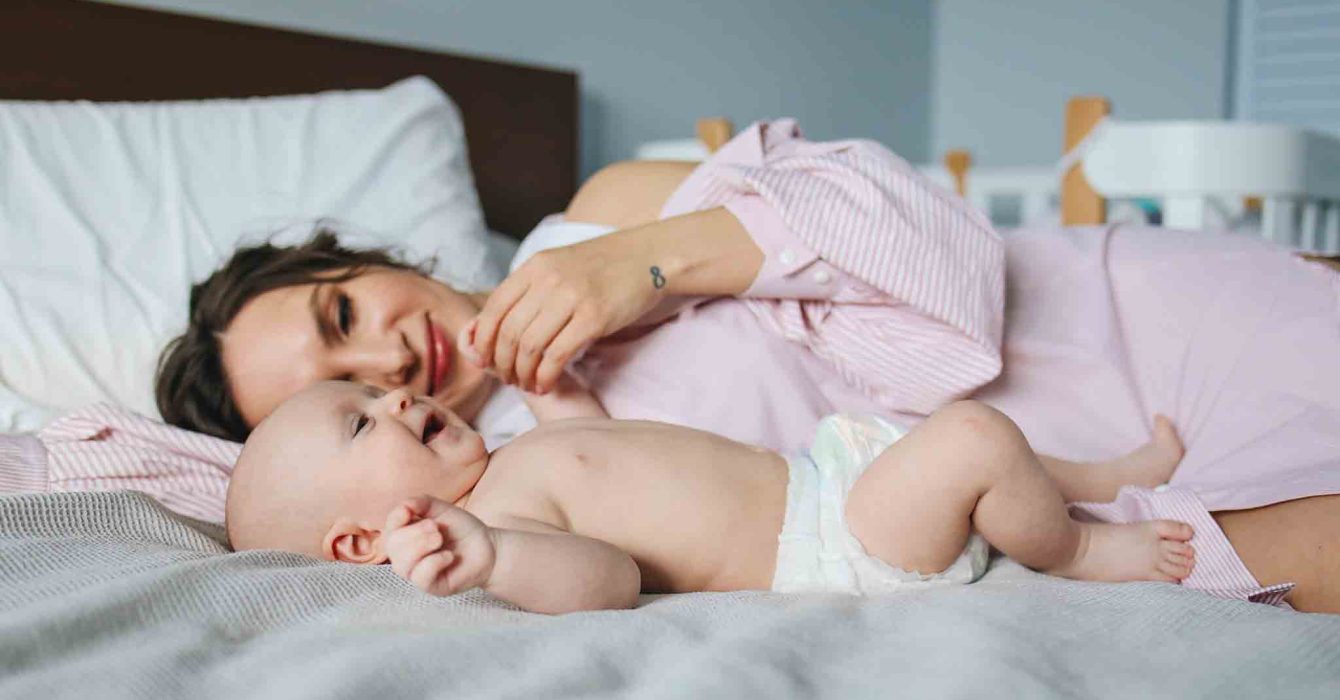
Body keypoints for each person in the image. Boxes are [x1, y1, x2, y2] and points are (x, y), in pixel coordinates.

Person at [156, 119, 1340, 612]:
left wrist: (646, 266)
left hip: (1087, 331)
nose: (387, 358)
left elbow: (926, 243)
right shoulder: (515, 478)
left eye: (345, 309)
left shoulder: (597, 219)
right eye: (335, 398)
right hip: (1007, 500)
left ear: (371, 260)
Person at [226, 380, 1194, 614]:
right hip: (833, 546)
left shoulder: (518, 449)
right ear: (358, 544)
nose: (393, 394)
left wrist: (556, 384)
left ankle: (1102, 477)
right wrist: (488, 555)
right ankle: (1073, 548)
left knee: (939, 427)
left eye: (370, 388)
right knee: (971, 437)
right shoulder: (499, 520)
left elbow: (601, 444)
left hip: (823, 473)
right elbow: (605, 577)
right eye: (361, 423)